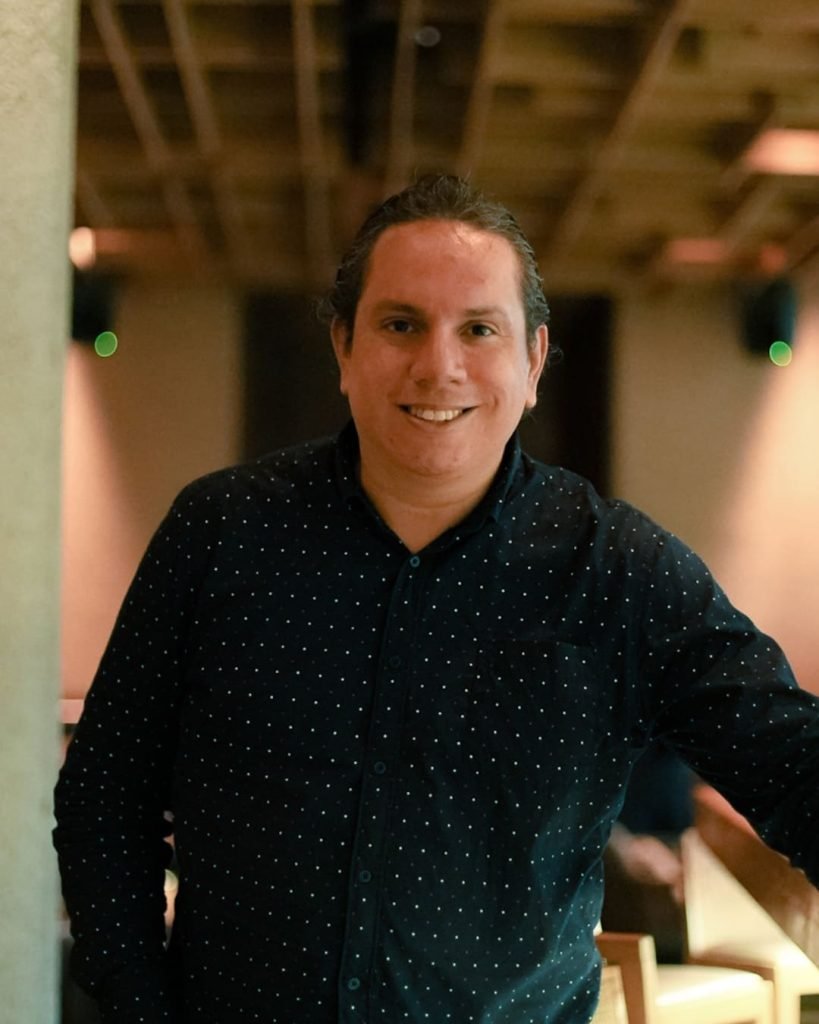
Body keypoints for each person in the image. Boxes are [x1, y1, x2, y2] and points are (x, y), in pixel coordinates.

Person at [53, 174, 819, 1024]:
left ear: (532, 361)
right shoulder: (220, 530)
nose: (438, 365)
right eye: (400, 324)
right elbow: (104, 794)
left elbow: (792, 765)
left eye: (479, 329)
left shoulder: (623, 571)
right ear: (343, 348)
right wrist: (139, 1003)